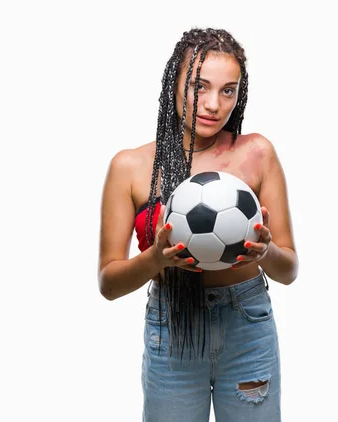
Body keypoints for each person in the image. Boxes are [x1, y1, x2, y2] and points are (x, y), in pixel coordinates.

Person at [97, 27, 298, 421]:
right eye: (199, 86)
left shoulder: (257, 153)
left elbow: (289, 269)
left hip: (247, 323)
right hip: (171, 327)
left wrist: (266, 251)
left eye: (228, 91)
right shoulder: (131, 167)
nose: (212, 104)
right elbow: (108, 283)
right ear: (173, 82)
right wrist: (155, 259)